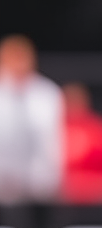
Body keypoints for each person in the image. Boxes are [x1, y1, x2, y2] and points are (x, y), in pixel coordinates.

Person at [0, 34, 62, 203]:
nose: (18, 64)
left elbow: (53, 142)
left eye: (22, 58)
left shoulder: (48, 93)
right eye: (13, 58)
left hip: (38, 187)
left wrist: (51, 180)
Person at [61, 83, 102, 203]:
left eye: (77, 100)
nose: (73, 104)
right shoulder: (53, 128)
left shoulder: (99, 128)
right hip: (59, 199)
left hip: (97, 197)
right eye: (69, 100)